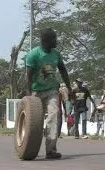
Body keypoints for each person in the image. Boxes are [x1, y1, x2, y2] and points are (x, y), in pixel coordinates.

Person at [26, 28, 72, 159]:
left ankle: (50, 150)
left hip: (52, 90)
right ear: (46, 41)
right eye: (54, 39)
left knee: (54, 116)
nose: (56, 41)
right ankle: (29, 147)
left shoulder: (56, 54)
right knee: (34, 121)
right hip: (36, 91)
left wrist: (69, 87)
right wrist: (30, 96)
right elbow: (28, 76)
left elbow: (63, 71)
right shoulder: (33, 55)